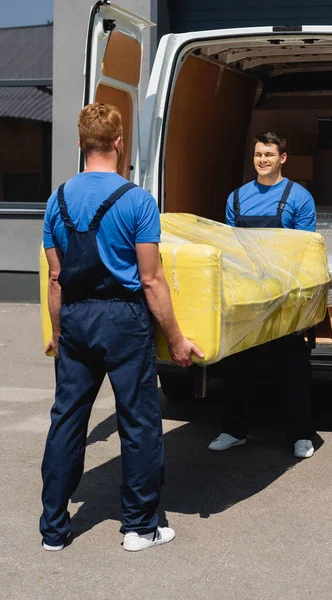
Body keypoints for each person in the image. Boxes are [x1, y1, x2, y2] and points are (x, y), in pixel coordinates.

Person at [40, 102, 202, 553]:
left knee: (67, 421)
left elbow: (55, 279)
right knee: (138, 422)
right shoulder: (137, 201)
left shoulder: (58, 199)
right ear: (118, 144)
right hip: (124, 319)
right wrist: (176, 338)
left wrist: (57, 332)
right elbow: (151, 279)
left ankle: (53, 529)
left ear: (79, 143)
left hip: (75, 317)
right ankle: (139, 528)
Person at [208, 132, 316, 459]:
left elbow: (304, 252)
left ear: (283, 158)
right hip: (247, 293)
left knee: (292, 367)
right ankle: (233, 431)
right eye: (258, 155)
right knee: (237, 366)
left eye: (269, 154)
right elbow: (230, 246)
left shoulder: (299, 198)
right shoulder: (237, 198)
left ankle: (301, 435)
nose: (263, 160)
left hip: (285, 295)